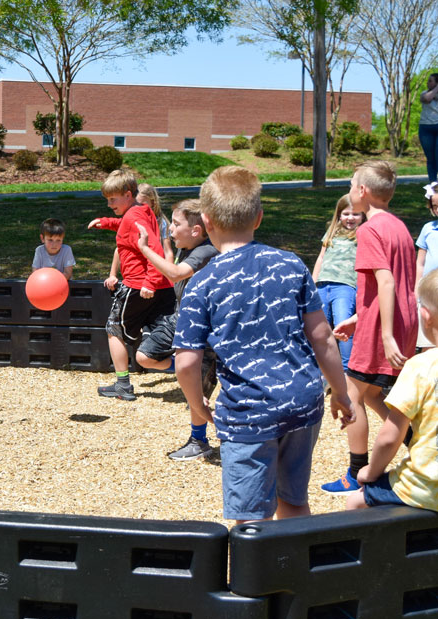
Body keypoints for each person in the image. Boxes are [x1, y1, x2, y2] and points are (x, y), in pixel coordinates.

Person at [173, 166, 353, 524]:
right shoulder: (291, 265)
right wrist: (341, 392)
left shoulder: (202, 283)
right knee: (295, 500)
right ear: (259, 218)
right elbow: (322, 337)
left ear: (206, 222)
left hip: (248, 412)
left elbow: (186, 363)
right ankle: (296, 571)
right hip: (302, 401)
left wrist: (198, 404)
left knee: (251, 518)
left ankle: (259, 580)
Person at [324, 161, 418, 493]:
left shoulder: (369, 230)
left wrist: (386, 335)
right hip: (398, 320)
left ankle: (356, 472)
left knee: (351, 396)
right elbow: (393, 286)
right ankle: (419, 445)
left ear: (362, 192)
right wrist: (357, 316)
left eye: (351, 184)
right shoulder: (400, 226)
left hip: (384, 328)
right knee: (374, 392)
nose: (350, 190)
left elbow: (387, 282)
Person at [347, 268, 438, 513]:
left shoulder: (421, 367)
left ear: (426, 316)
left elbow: (390, 437)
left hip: (426, 489)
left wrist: (370, 471)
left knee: (355, 501)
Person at [134, 199, 220, 460]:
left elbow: (174, 273)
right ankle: (185, 372)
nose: (171, 227)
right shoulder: (188, 245)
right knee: (144, 356)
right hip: (180, 318)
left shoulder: (206, 251)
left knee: (197, 396)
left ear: (195, 230)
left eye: (176, 223)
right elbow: (171, 261)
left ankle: (199, 440)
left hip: (202, 327)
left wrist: (144, 248)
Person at [88, 169, 174, 401]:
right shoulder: (140, 212)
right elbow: (127, 226)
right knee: (157, 333)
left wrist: (150, 282)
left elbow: (154, 249)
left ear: (127, 195)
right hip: (158, 286)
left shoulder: (134, 217)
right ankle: (188, 364)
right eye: (107, 200)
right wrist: (106, 223)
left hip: (140, 286)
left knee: (113, 329)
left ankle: (123, 384)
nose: (109, 204)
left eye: (112, 200)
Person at [311, 195, 365, 370]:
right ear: (339, 215)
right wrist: (312, 283)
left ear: (363, 216)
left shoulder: (362, 234)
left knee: (343, 327)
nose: (350, 218)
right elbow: (321, 257)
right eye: (346, 213)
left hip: (345, 286)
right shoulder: (332, 231)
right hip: (322, 285)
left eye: (355, 214)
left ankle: (347, 369)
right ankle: (322, 369)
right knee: (321, 328)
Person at [415, 182, 438, 350]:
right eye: (435, 206)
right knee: (427, 338)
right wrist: (417, 287)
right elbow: (420, 262)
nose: (437, 210)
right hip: (428, 290)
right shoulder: (428, 229)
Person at [419, 73, 438, 184]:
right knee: (430, 158)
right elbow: (427, 98)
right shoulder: (423, 93)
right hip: (426, 129)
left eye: (430, 80)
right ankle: (433, 184)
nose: (428, 82)